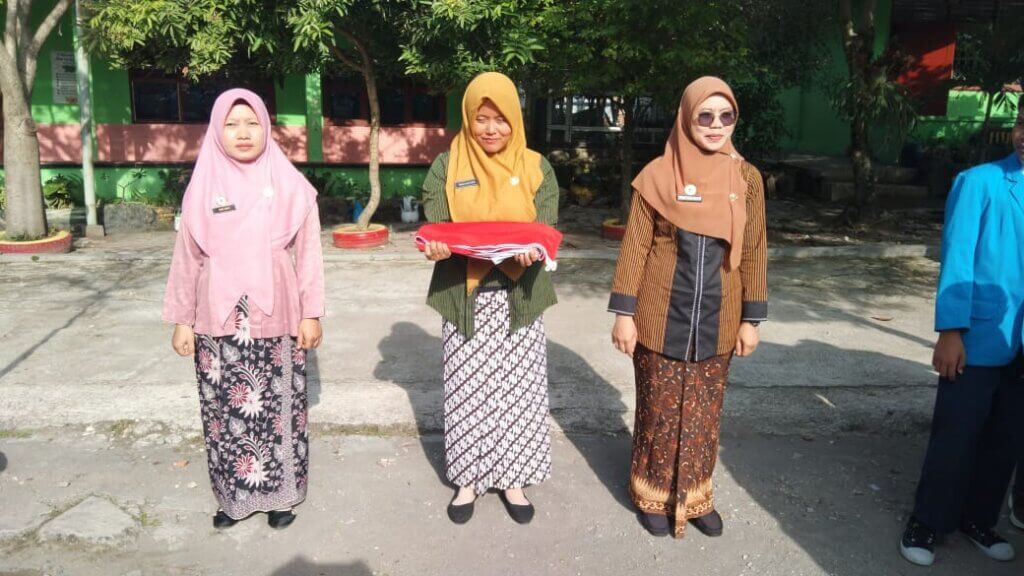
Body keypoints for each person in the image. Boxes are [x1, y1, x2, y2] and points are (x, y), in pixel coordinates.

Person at [608, 77, 767, 538]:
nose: (716, 125)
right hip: (659, 315)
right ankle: (652, 493)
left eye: (726, 116)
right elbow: (636, 247)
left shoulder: (747, 179)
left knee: (704, 410)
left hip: (720, 317)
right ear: (686, 118)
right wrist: (624, 313)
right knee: (658, 407)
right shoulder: (658, 174)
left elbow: (754, 249)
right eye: (705, 116)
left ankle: (695, 496)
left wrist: (751, 319)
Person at [162, 88, 324, 530]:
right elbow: (187, 258)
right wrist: (182, 320)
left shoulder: (290, 185)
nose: (243, 132)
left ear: (266, 127)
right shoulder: (202, 187)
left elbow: (309, 254)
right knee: (224, 411)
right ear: (217, 131)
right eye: (231, 124)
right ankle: (233, 499)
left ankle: (281, 496)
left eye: (252, 122)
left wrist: (311, 312)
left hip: (276, 312)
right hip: (217, 316)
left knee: (277, 406)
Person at [420, 71, 560, 525]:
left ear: (515, 119)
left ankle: (514, 479)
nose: (491, 128)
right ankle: (468, 480)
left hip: (521, 298)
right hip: (465, 298)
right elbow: (436, 222)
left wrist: (534, 248)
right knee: (468, 391)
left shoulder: (537, 167)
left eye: (501, 119)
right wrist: (437, 246)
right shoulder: (447, 166)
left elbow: (546, 227)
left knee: (519, 392)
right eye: (481, 118)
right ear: (468, 118)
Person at [899, 104, 1024, 566]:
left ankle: (979, 519)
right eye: (1023, 123)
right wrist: (951, 331)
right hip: (977, 336)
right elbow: (958, 259)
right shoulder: (979, 182)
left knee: (1005, 439)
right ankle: (927, 521)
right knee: (957, 435)